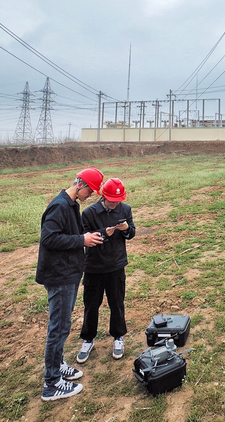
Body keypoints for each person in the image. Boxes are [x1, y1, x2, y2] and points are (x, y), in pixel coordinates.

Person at [35, 167, 104, 402]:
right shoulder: (60, 205)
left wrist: (87, 237)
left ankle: (58, 365)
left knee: (63, 325)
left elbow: (70, 235)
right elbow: (49, 238)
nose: (91, 196)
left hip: (70, 273)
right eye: (90, 191)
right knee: (58, 328)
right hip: (59, 275)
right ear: (80, 184)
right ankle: (51, 384)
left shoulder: (72, 204)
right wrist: (81, 239)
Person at [76, 177, 136, 362]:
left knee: (117, 302)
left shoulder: (125, 209)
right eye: (111, 201)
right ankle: (88, 339)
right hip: (94, 266)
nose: (114, 204)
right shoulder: (89, 213)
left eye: (117, 201)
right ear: (103, 196)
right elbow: (82, 237)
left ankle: (118, 337)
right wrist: (104, 233)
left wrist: (126, 229)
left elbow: (131, 233)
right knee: (91, 305)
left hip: (116, 265)